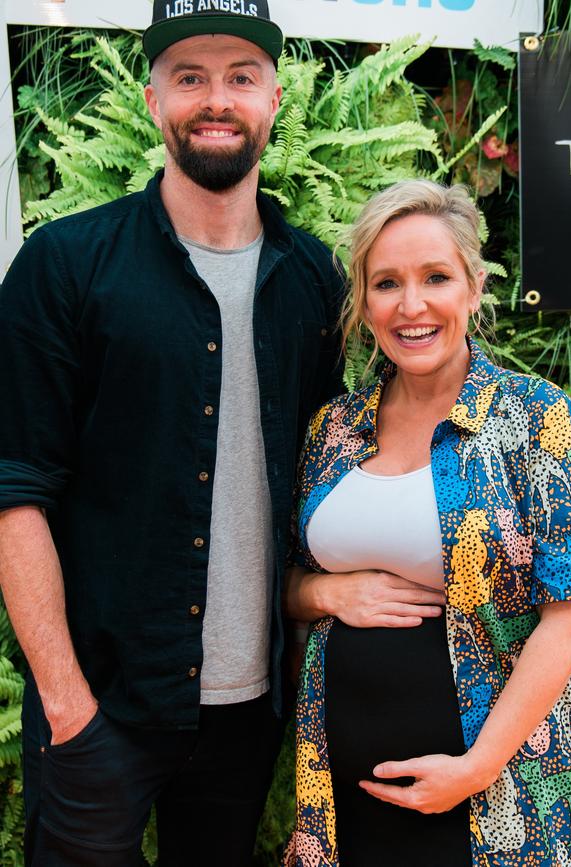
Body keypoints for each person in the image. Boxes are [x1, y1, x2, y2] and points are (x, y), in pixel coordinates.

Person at [0, 2, 344, 865]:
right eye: (190, 77)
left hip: (248, 713)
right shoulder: (66, 265)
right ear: (153, 100)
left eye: (240, 77)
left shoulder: (314, 280)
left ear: (274, 98)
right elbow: (14, 491)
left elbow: (331, 480)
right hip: (98, 709)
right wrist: (66, 703)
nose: (215, 99)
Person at [282, 179, 571, 867]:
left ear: (472, 288)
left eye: (435, 277)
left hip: (506, 792)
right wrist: (322, 593)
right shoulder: (335, 428)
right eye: (386, 283)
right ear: (364, 302)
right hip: (344, 792)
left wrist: (474, 768)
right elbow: (289, 579)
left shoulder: (535, 416)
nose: (411, 305)